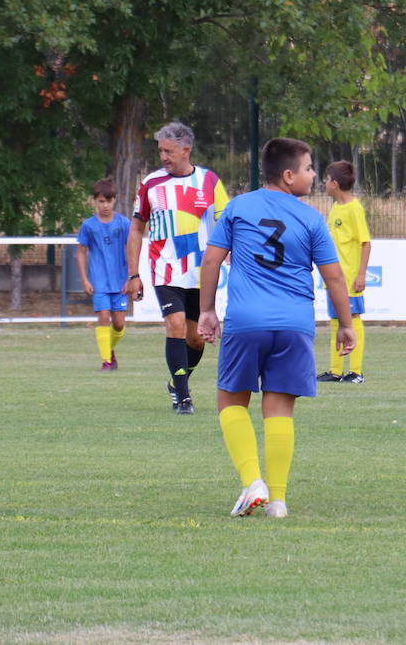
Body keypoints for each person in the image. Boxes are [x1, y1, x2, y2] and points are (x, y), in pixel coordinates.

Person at [197, 137, 355, 518]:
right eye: (308, 168)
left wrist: (206, 311)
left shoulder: (238, 207)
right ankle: (279, 501)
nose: (314, 175)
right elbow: (334, 278)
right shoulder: (312, 219)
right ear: (288, 176)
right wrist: (345, 325)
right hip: (294, 325)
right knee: (280, 408)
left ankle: (253, 483)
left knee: (231, 400)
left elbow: (211, 261)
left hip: (247, 321)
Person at [127, 121, 230, 415]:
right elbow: (136, 229)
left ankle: (176, 382)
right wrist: (133, 274)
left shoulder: (210, 181)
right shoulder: (151, 184)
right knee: (174, 326)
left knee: (196, 337)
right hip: (165, 270)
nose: (163, 157)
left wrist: (229, 251)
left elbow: (226, 223)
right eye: (160, 150)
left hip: (202, 272)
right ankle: (183, 397)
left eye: (169, 151)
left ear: (186, 150)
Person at [317, 160, 371, 384]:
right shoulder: (336, 208)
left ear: (335, 184)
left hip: (349, 279)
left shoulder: (354, 209)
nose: (324, 183)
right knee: (335, 322)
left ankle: (356, 372)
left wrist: (360, 275)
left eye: (327, 180)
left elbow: (365, 243)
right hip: (334, 278)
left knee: (353, 319)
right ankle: (335, 370)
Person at [77, 177, 132, 371]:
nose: (105, 205)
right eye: (101, 201)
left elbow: (132, 249)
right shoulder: (88, 226)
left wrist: (131, 277)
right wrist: (84, 279)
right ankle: (106, 361)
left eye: (108, 201)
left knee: (118, 325)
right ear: (94, 201)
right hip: (99, 282)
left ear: (114, 200)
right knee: (103, 317)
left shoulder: (124, 223)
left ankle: (109, 351)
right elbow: (81, 253)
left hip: (120, 282)